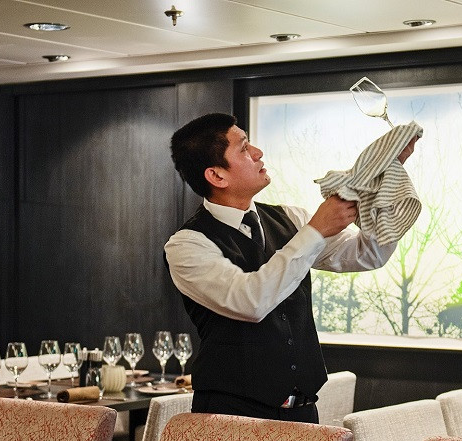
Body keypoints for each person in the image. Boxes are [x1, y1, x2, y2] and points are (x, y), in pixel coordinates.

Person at [164, 113, 419, 422]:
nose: (258, 152)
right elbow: (251, 301)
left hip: (303, 412)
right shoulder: (187, 245)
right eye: (244, 148)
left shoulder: (290, 218)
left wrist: (384, 176)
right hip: (230, 417)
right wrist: (316, 230)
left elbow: (368, 254)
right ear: (217, 176)